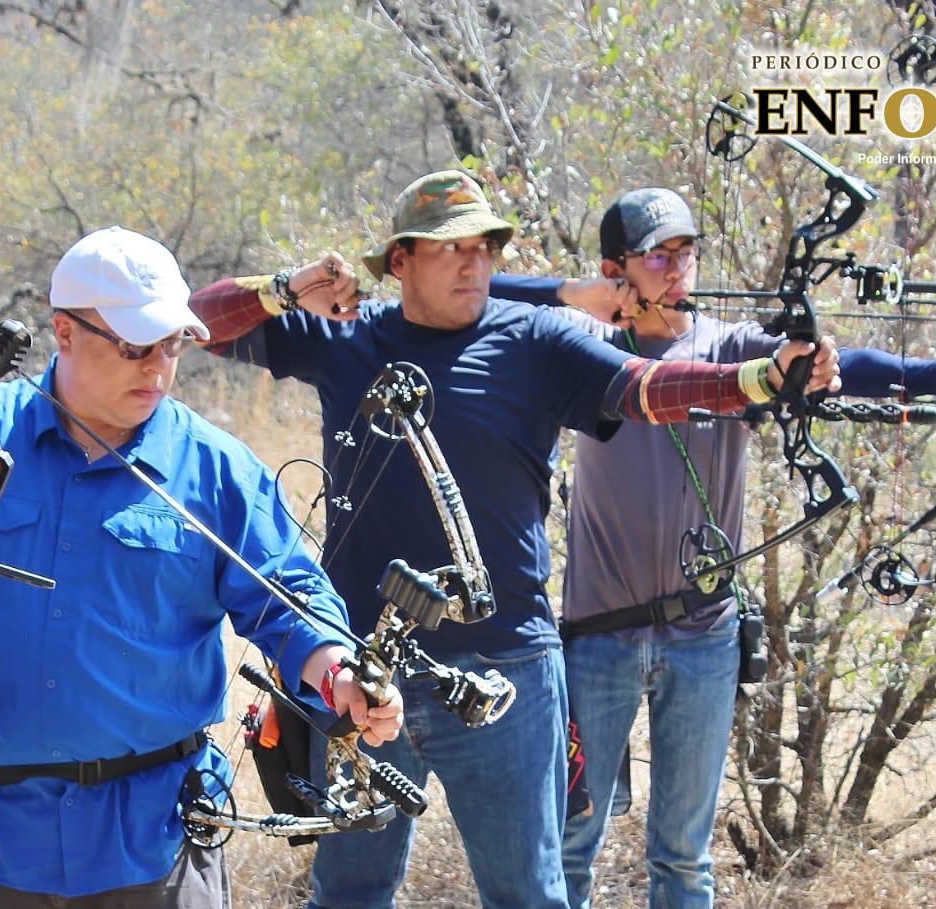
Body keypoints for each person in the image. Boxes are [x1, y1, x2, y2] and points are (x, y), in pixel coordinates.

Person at [187, 169, 841, 909]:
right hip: (367, 669)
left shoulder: (533, 340)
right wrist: (284, 287)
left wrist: (760, 379)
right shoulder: (348, 336)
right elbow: (196, 321)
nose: (474, 263)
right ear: (399, 260)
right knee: (349, 893)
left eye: (485, 247)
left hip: (508, 673)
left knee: (530, 895)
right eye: (449, 248)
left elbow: (646, 387)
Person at [486, 187, 936, 908]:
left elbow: (834, 365)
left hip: (703, 640)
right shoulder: (583, 349)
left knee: (682, 856)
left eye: (687, 252)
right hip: (598, 640)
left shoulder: (732, 349)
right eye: (658, 256)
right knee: (569, 844)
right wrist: (571, 292)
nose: (678, 269)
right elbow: (477, 292)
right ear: (617, 269)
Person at [0, 227, 404, 908]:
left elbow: (290, 600)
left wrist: (339, 672)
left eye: (172, 345)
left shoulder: (214, 467)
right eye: (135, 347)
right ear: (64, 332)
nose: (158, 369)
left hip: (154, 847)